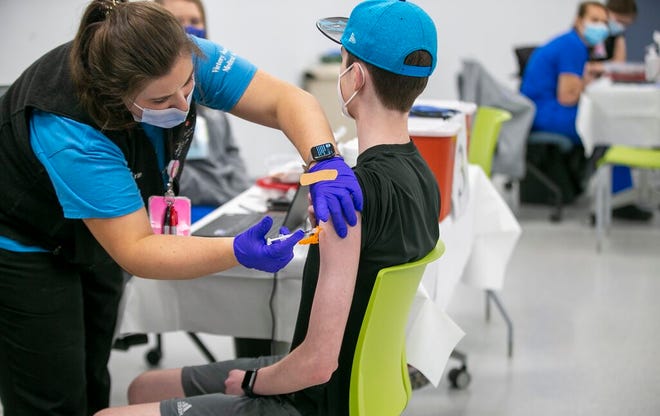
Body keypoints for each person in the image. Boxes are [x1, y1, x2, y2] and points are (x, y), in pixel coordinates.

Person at [0, 1, 363, 415]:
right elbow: (136, 249)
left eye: (189, 85)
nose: (183, 103)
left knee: (91, 374)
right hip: (26, 243)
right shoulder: (70, 127)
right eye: (159, 99)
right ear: (114, 97)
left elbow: (286, 100)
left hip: (96, 237)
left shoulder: (179, 54)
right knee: (51, 393)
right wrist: (236, 251)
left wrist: (324, 160)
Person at [95, 0, 440, 415]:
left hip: (312, 398)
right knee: (145, 387)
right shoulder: (423, 176)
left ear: (354, 77)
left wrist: (252, 383)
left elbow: (317, 363)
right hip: (359, 389)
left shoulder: (348, 198)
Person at [154, 0, 251, 221]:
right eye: (179, 22)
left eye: (195, 22)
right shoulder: (159, 102)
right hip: (186, 211)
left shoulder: (211, 92)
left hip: (227, 204)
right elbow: (172, 175)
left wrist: (243, 197)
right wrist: (223, 195)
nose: (189, 29)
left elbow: (231, 153)